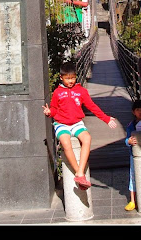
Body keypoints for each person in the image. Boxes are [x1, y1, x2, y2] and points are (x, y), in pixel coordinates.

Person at [43, 61, 117, 189]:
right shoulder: (57, 92)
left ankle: (80, 171)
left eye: (72, 78)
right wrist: (49, 112)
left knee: (87, 138)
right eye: (67, 78)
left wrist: (106, 119)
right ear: (61, 78)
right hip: (62, 124)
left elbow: (92, 106)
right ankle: (80, 173)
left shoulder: (81, 91)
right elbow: (54, 109)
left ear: (76, 76)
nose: (70, 81)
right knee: (66, 143)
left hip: (77, 123)